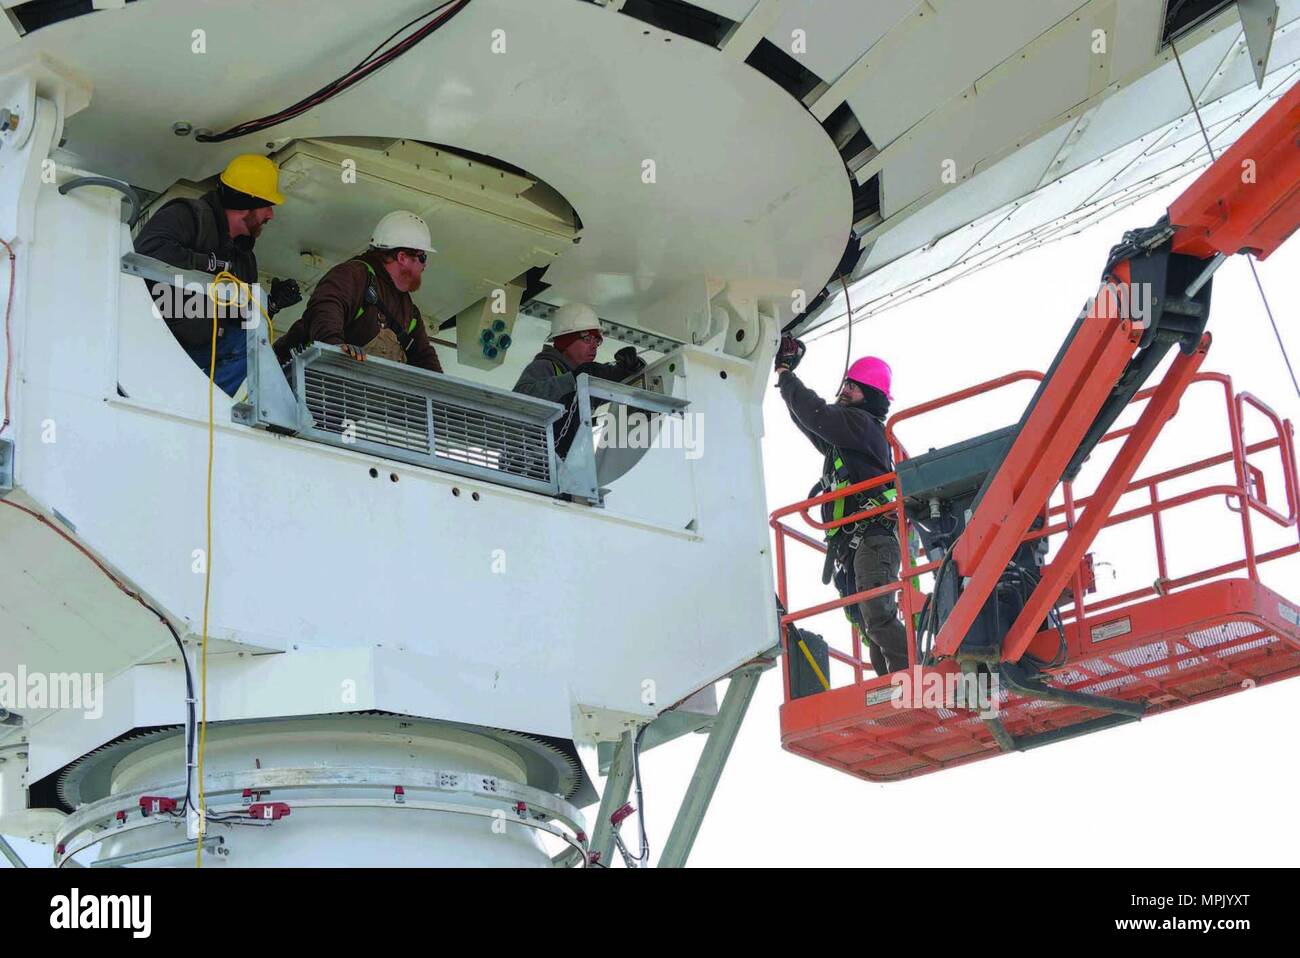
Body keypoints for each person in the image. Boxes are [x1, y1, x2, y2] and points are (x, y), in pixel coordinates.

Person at [777, 347, 909, 675]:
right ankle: (890, 685)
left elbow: (817, 414)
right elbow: (809, 421)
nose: (845, 390)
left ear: (872, 396)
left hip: (873, 536)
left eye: (854, 386)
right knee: (869, 624)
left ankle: (911, 677)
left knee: (877, 615)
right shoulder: (847, 437)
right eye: (846, 384)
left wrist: (786, 375)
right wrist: (784, 380)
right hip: (857, 543)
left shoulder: (862, 425)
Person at [134, 154, 299, 396]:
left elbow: (242, 325)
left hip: (200, 351)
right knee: (248, 345)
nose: (270, 215)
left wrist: (270, 306)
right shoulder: (188, 215)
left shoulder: (244, 258)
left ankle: (205, 404)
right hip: (155, 337)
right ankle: (199, 403)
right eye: (267, 205)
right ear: (247, 202)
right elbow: (148, 251)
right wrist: (212, 265)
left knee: (256, 348)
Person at [273, 211, 442, 372]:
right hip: (304, 386)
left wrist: (444, 394)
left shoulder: (409, 312)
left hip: (354, 397)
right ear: (402, 257)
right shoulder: (353, 276)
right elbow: (325, 308)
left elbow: (424, 357)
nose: (424, 265)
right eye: (422, 257)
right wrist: (334, 348)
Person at [513, 303, 644, 458]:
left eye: (597, 341)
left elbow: (616, 382)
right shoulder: (545, 366)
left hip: (565, 464)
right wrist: (572, 380)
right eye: (587, 339)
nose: (594, 346)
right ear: (565, 342)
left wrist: (632, 366)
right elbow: (520, 400)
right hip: (527, 461)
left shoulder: (587, 381)